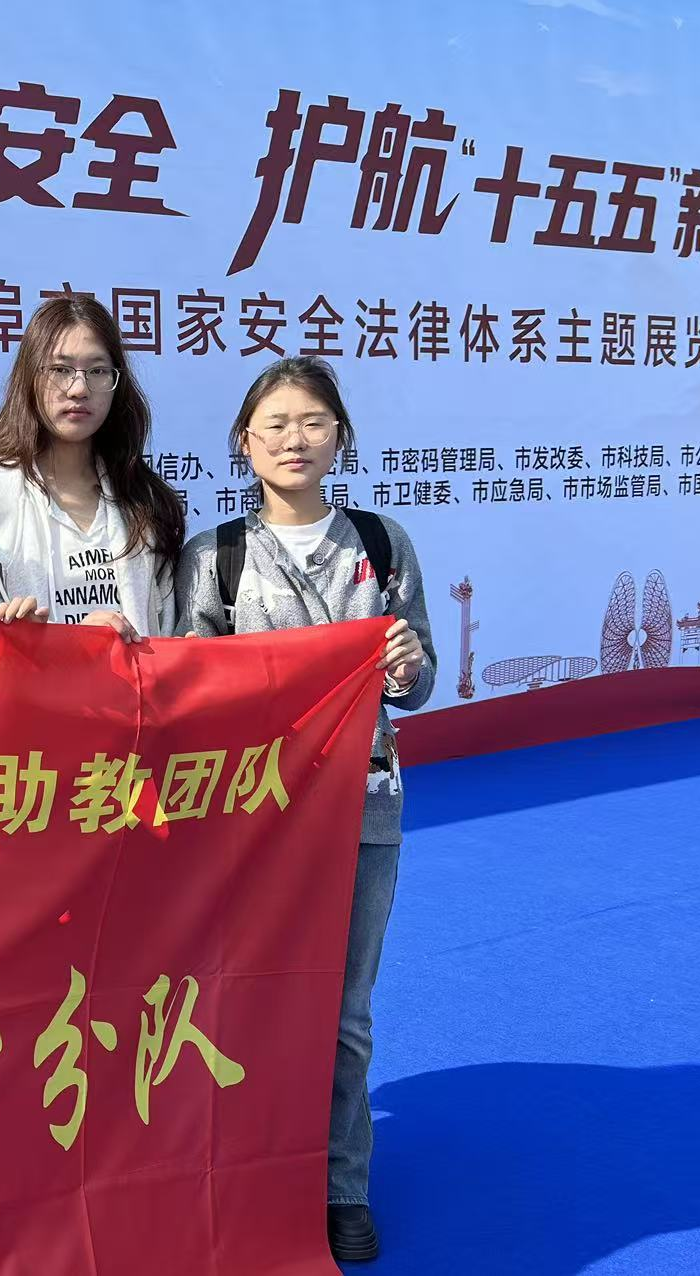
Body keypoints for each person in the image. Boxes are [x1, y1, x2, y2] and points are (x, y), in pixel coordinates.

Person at [173, 356, 434, 1264]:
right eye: (275, 424)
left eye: (314, 422)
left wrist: (405, 667)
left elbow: (418, 682)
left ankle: (341, 1184)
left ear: (341, 437)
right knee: (241, 1005)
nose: (295, 439)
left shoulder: (383, 543)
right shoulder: (214, 556)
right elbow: (189, 688)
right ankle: (246, 1176)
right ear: (244, 443)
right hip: (253, 822)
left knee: (345, 1013)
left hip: (363, 805)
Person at [0, 293, 184, 640]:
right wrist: (62, 642)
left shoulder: (146, 499)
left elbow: (166, 633)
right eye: (60, 370)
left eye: (98, 371)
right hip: (28, 677)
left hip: (135, 678)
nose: (79, 389)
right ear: (30, 377)